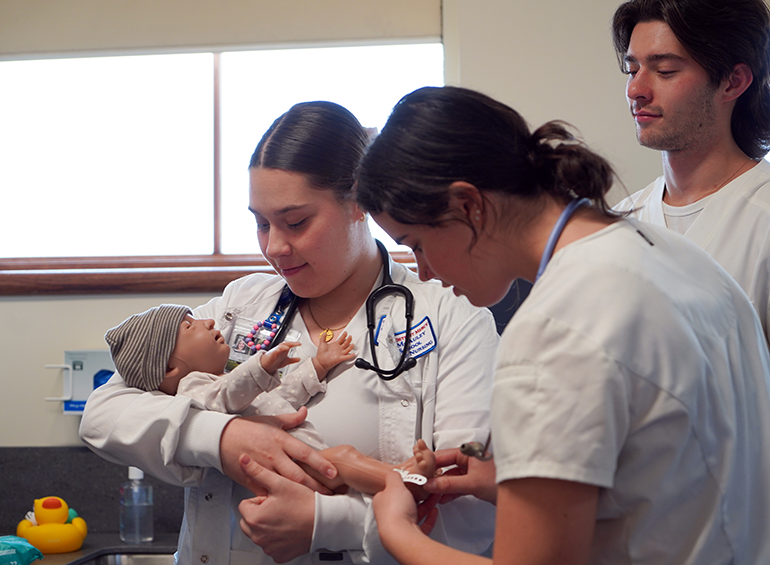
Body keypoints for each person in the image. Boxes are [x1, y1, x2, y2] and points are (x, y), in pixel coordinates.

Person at [354, 86, 770, 564]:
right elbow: (676, 471)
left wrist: (396, 530)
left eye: (417, 244)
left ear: (468, 205)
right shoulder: (670, 251)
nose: (423, 272)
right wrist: (527, 479)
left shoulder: (553, 327)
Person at [80, 100, 499, 565]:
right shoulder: (241, 306)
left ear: (359, 200)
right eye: (261, 223)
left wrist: (325, 521)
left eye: (296, 222)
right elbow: (103, 412)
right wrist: (222, 436)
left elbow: (471, 515)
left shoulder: (452, 319)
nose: (274, 247)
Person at [103, 302, 437, 497]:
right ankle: (406, 484)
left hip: (300, 457)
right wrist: (259, 365)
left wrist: (318, 365)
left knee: (347, 467)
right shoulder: (194, 389)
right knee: (345, 460)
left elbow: (281, 397)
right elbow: (227, 396)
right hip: (293, 465)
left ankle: (402, 476)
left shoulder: (214, 381)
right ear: (171, 368)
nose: (208, 321)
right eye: (190, 327)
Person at [611, 0, 770, 341]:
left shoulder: (762, 220)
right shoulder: (618, 222)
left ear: (733, 82)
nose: (635, 90)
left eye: (665, 70)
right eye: (632, 69)